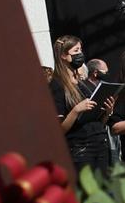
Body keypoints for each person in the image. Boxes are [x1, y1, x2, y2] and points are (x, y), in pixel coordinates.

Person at [49, 34, 116, 174]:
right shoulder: (57, 85)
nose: (80, 54)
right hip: (81, 149)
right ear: (63, 56)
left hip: (100, 143)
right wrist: (76, 110)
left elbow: (98, 120)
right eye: (75, 51)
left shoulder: (83, 83)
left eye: (80, 50)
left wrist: (107, 112)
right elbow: (58, 129)